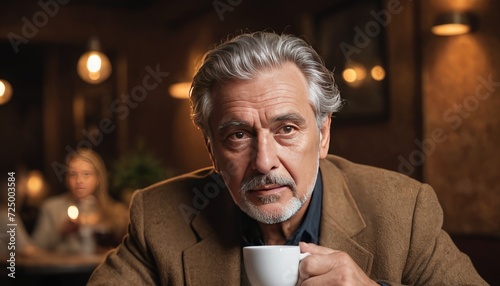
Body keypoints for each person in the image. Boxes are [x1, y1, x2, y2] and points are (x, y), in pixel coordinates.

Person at [88, 31, 487, 285]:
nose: (264, 162)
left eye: (287, 129)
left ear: (324, 134)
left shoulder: (404, 209)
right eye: (238, 135)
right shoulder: (160, 215)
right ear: (212, 149)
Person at [31, 149, 128, 253]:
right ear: (67, 179)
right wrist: (61, 232)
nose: (79, 181)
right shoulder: (51, 208)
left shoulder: (115, 211)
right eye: (73, 175)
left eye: (86, 174)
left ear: (98, 178)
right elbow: (34, 250)